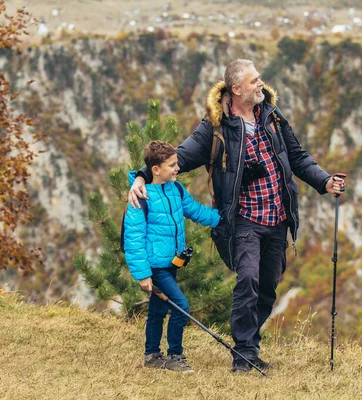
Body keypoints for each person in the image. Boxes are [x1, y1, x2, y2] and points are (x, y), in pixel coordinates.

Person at [128, 59, 346, 373]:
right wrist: (140, 177)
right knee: (249, 280)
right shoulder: (215, 128)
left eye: (259, 78)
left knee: (268, 286)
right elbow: (180, 157)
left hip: (277, 216)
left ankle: (250, 347)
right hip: (244, 220)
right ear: (237, 89)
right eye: (254, 80)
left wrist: (324, 181)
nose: (261, 84)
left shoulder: (271, 115)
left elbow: (297, 155)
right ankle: (244, 356)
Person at [123, 140, 221, 373]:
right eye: (172, 165)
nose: (178, 168)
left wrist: (222, 219)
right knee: (181, 305)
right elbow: (133, 238)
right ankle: (175, 355)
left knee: (158, 310)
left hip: (171, 263)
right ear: (155, 170)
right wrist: (143, 274)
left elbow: (195, 211)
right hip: (155, 266)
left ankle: (152, 355)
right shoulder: (141, 197)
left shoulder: (176, 189)